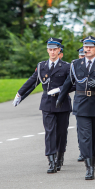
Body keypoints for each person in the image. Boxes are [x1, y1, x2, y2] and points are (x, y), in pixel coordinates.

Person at [56, 36, 95, 180]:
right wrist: (60, 98)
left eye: (90, 47)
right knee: (84, 137)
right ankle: (89, 167)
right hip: (82, 104)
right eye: (85, 46)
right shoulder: (76, 64)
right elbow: (68, 83)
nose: (87, 49)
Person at [12, 38, 72, 174]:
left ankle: (60, 156)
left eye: (54, 49)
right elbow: (32, 81)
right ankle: (51, 160)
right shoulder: (41, 66)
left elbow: (73, 84)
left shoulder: (67, 66)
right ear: (47, 50)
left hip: (62, 103)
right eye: (50, 49)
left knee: (61, 132)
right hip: (47, 103)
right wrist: (20, 94)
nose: (52, 52)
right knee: (50, 131)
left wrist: (61, 89)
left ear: (59, 50)